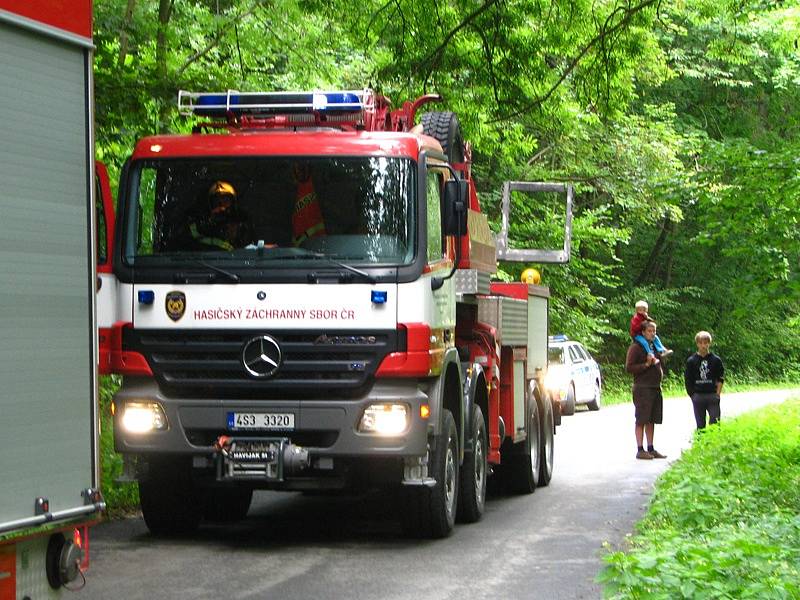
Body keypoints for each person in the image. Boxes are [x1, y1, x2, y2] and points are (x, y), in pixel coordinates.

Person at [625, 320, 667, 460]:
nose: (652, 333)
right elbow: (629, 367)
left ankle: (651, 447)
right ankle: (640, 449)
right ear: (643, 332)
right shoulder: (636, 347)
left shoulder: (654, 346)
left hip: (655, 387)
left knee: (652, 419)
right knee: (641, 419)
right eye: (649, 331)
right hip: (642, 388)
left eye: (654, 331)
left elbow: (660, 363)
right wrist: (646, 364)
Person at [188, 181, 251, 250]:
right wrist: (210, 222)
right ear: (211, 204)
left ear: (233, 202)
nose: (221, 205)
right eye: (217, 201)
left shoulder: (241, 221)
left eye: (225, 200)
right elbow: (194, 240)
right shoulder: (202, 221)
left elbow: (249, 245)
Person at [684, 330, 725, 430]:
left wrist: (717, 394)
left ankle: (714, 443)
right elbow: (688, 379)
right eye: (701, 343)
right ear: (697, 344)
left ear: (709, 344)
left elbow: (721, 378)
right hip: (698, 395)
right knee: (700, 425)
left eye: (706, 343)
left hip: (712, 395)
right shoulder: (691, 361)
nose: (703, 345)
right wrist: (692, 395)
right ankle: (700, 442)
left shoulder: (716, 360)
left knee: (715, 423)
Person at [291, 163, 326, 246]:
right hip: (293, 253)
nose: (301, 171)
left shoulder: (320, 189)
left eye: (303, 168)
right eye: (298, 168)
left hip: (320, 244)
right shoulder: (289, 192)